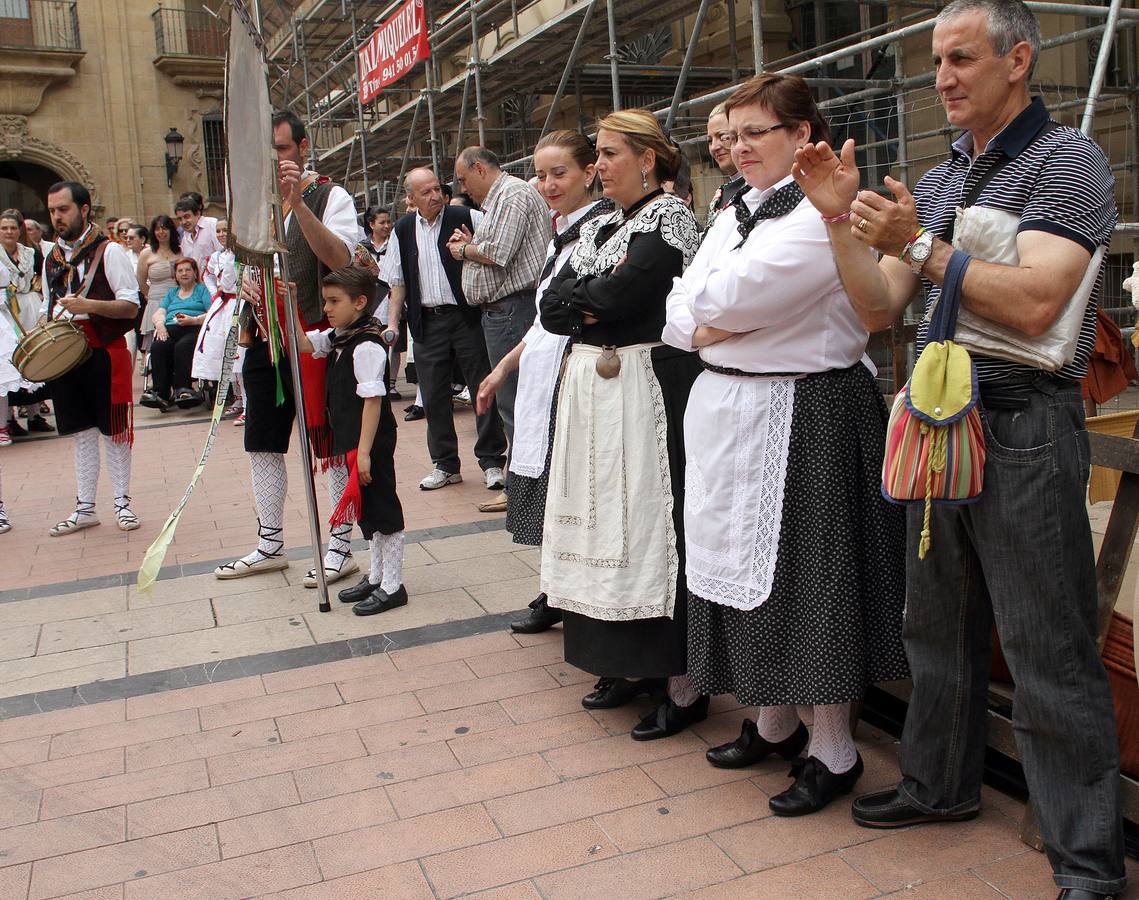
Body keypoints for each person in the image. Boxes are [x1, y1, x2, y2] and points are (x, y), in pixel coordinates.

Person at [794, 0, 1124, 894]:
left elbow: (1035, 304)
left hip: (1021, 418)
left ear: (1019, 60)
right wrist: (835, 220)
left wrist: (924, 247)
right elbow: (875, 306)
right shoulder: (940, 178)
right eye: (936, 60)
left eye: (961, 59)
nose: (941, 77)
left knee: (1044, 646)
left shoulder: (1068, 162)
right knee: (932, 625)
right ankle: (939, 785)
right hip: (939, 421)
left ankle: (1087, 860)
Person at [664, 73, 909, 816]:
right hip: (731, 404)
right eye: (730, 135)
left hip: (805, 409)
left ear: (800, 136)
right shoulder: (735, 209)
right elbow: (681, 307)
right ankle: (774, 721)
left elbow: (728, 299)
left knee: (809, 582)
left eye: (753, 133)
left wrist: (708, 317)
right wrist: (708, 318)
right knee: (733, 570)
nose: (735, 148)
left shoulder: (815, 213)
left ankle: (833, 751)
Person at [539, 109, 706, 741]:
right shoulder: (603, 223)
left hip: (645, 385)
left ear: (648, 158)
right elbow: (554, 302)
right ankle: (620, 663)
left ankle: (680, 682)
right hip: (596, 388)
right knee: (600, 515)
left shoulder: (670, 220)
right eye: (599, 154)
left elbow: (622, 297)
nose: (599, 165)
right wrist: (588, 307)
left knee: (646, 521)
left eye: (610, 154)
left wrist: (588, 306)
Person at [215, 110, 362, 589]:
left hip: (313, 336)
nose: (273, 159)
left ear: (302, 147)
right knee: (262, 443)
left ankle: (340, 545)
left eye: (280, 148)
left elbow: (342, 260)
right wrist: (248, 287)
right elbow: (243, 263)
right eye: (267, 151)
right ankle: (270, 542)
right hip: (264, 338)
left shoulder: (329, 195)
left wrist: (298, 204)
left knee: (328, 444)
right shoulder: (255, 203)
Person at [477, 130, 614, 634]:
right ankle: (556, 589)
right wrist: (501, 369)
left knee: (573, 490)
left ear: (588, 173)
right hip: (545, 373)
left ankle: (570, 593)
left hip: (574, 378)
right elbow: (541, 321)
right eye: (541, 174)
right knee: (554, 490)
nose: (548, 183)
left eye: (560, 173)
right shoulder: (562, 232)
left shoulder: (600, 229)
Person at [381, 167, 508, 491]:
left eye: (438, 188)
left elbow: (496, 249)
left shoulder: (466, 215)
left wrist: (471, 247)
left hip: (467, 317)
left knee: (483, 387)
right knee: (434, 394)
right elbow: (397, 282)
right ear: (410, 198)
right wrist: (393, 323)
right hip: (427, 321)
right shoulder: (403, 229)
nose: (436, 195)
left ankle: (492, 461)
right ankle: (445, 465)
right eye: (426, 192)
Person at [296, 265, 407, 616]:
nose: (326, 309)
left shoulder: (367, 345)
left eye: (333, 301)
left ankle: (393, 584)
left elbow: (372, 401)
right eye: (324, 301)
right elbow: (302, 343)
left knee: (382, 507)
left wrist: (363, 454)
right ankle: (376, 575)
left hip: (369, 442)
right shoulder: (339, 336)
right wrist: (285, 303)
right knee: (366, 513)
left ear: (360, 303)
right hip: (353, 441)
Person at [40, 182, 140, 535]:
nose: (56, 217)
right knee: (81, 433)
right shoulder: (51, 257)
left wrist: (88, 307)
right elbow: (45, 305)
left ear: (84, 210)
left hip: (103, 351)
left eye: (63, 209)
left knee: (114, 431)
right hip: (64, 356)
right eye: (52, 210)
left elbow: (130, 305)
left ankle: (122, 504)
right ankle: (85, 508)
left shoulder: (110, 251)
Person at [449, 147, 548, 459]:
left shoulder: (511, 194)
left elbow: (498, 253)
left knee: (516, 402)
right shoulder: (500, 199)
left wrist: (465, 250)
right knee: (511, 402)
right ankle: (522, 485)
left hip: (513, 311)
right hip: (505, 312)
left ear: (479, 168)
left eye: (463, 180)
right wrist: (473, 245)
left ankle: (526, 489)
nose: (463, 188)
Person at [0, 209, 52, 439]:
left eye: (13, 227)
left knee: (35, 360)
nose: (9, 232)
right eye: (4, 228)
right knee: (11, 363)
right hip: (7, 311)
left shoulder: (30, 252)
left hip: (30, 306)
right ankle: (9, 418)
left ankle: (34, 415)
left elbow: (43, 278)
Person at [143, 257, 211, 410]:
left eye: (188, 270)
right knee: (158, 347)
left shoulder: (201, 290)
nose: (184, 273)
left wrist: (193, 320)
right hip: (170, 329)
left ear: (195, 273)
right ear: (176, 275)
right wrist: (160, 325)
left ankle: (183, 389)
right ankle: (161, 393)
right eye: (180, 271)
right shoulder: (172, 293)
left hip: (194, 328)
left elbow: (211, 313)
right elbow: (159, 313)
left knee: (183, 346)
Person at [195, 219, 244, 418]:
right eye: (219, 231)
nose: (222, 234)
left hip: (239, 305)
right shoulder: (215, 257)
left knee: (240, 354)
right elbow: (207, 274)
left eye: (226, 230)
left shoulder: (241, 254)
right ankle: (238, 399)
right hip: (223, 307)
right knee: (225, 352)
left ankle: (248, 405)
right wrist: (215, 293)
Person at [357, 206, 405, 399]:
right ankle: (375, 381)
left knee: (394, 345)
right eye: (382, 222)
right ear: (371, 224)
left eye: (388, 222)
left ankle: (391, 384)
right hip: (372, 302)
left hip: (394, 301)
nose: (387, 226)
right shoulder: (361, 249)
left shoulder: (396, 244)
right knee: (372, 343)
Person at [136, 215, 180, 353]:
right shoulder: (146, 254)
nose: (161, 232)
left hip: (178, 299)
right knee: (157, 344)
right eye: (157, 229)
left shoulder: (180, 250)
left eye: (165, 228)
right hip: (156, 300)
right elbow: (141, 281)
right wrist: (150, 295)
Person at [705, 101, 746, 227]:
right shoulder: (720, 194)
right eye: (710, 140)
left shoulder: (760, 189)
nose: (714, 147)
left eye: (723, 137)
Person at [175, 195, 221, 274]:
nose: (183, 222)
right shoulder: (185, 238)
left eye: (186, 217)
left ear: (197, 213)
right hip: (197, 284)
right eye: (180, 219)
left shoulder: (212, 225)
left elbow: (222, 254)